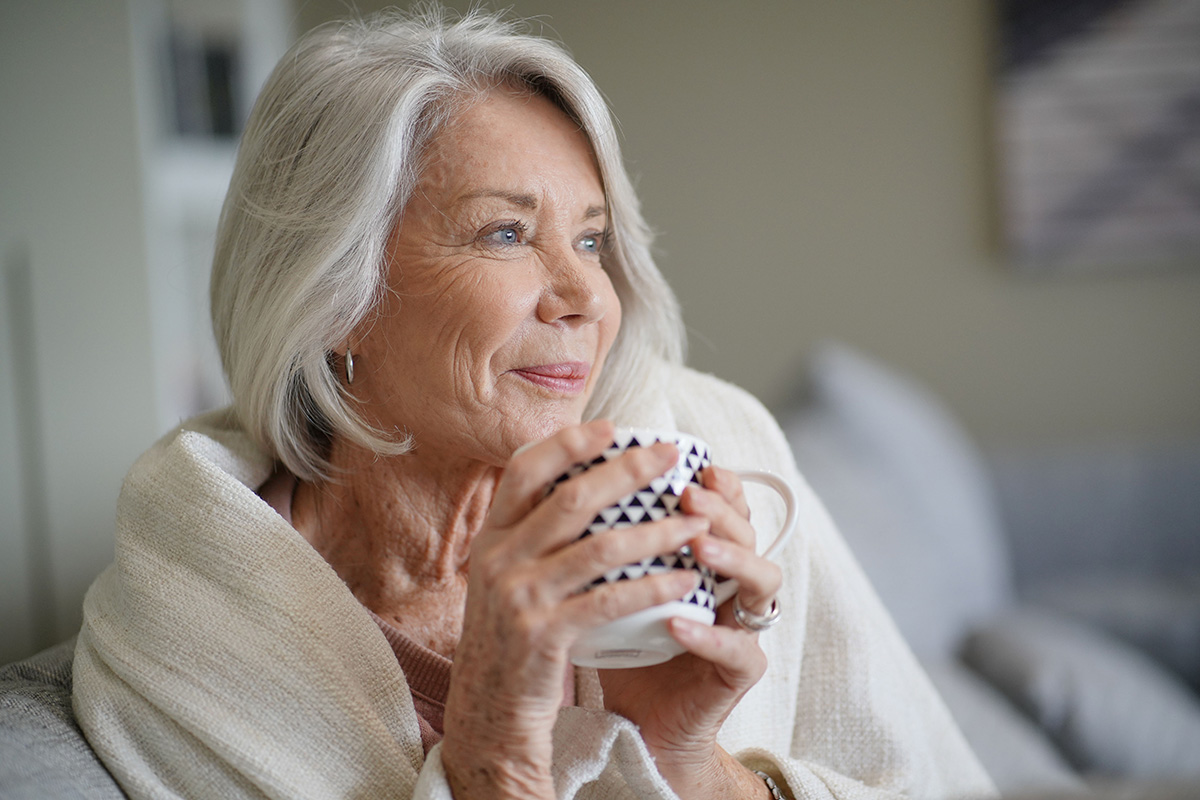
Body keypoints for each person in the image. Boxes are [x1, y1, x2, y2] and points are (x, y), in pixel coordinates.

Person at [72, 7, 996, 799]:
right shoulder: (185, 619)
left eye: (591, 242)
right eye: (506, 233)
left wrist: (691, 763)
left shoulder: (717, 450)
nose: (587, 297)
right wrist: (492, 753)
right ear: (336, 302)